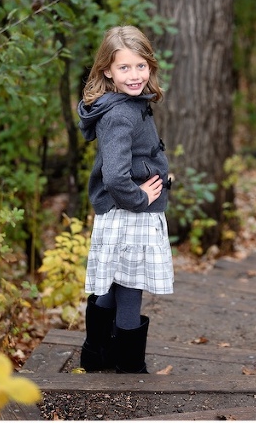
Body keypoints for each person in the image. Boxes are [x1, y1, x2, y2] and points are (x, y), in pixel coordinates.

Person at [77, 25, 173, 374]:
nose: (135, 75)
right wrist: (140, 197)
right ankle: (128, 363)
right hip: (129, 210)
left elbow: (134, 157)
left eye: (141, 66)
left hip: (124, 209)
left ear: (150, 66)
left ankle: (96, 352)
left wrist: (160, 174)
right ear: (107, 70)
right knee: (131, 285)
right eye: (124, 68)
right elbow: (116, 175)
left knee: (117, 279)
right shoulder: (120, 113)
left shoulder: (131, 103)